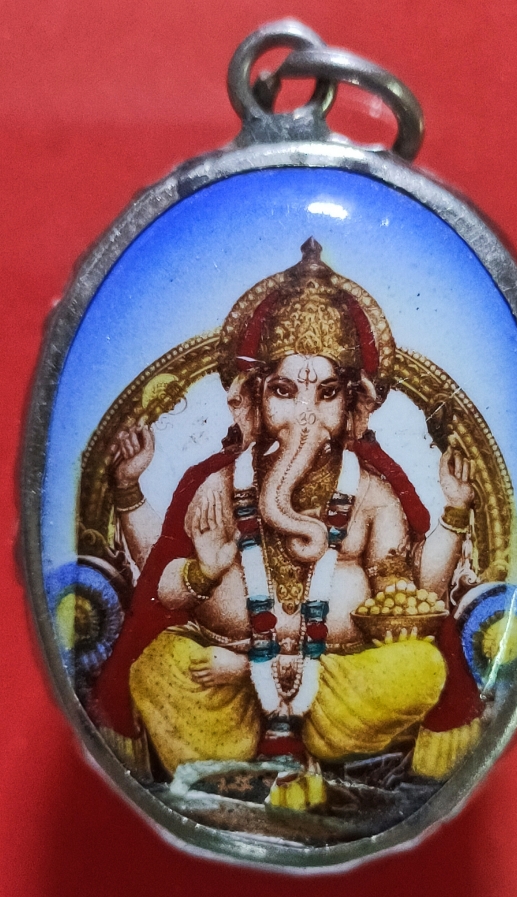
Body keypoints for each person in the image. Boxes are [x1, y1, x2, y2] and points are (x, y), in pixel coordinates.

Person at [92, 239, 484, 781]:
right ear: (252, 400)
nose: (305, 414)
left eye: (326, 394)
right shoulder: (219, 484)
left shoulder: (371, 493)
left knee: (420, 668)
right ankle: (236, 752)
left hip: (337, 686)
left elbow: (413, 592)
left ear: (354, 406)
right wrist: (201, 567)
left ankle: (303, 743)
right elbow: (157, 588)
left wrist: (456, 512)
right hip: (220, 677)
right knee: (158, 667)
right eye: (283, 391)